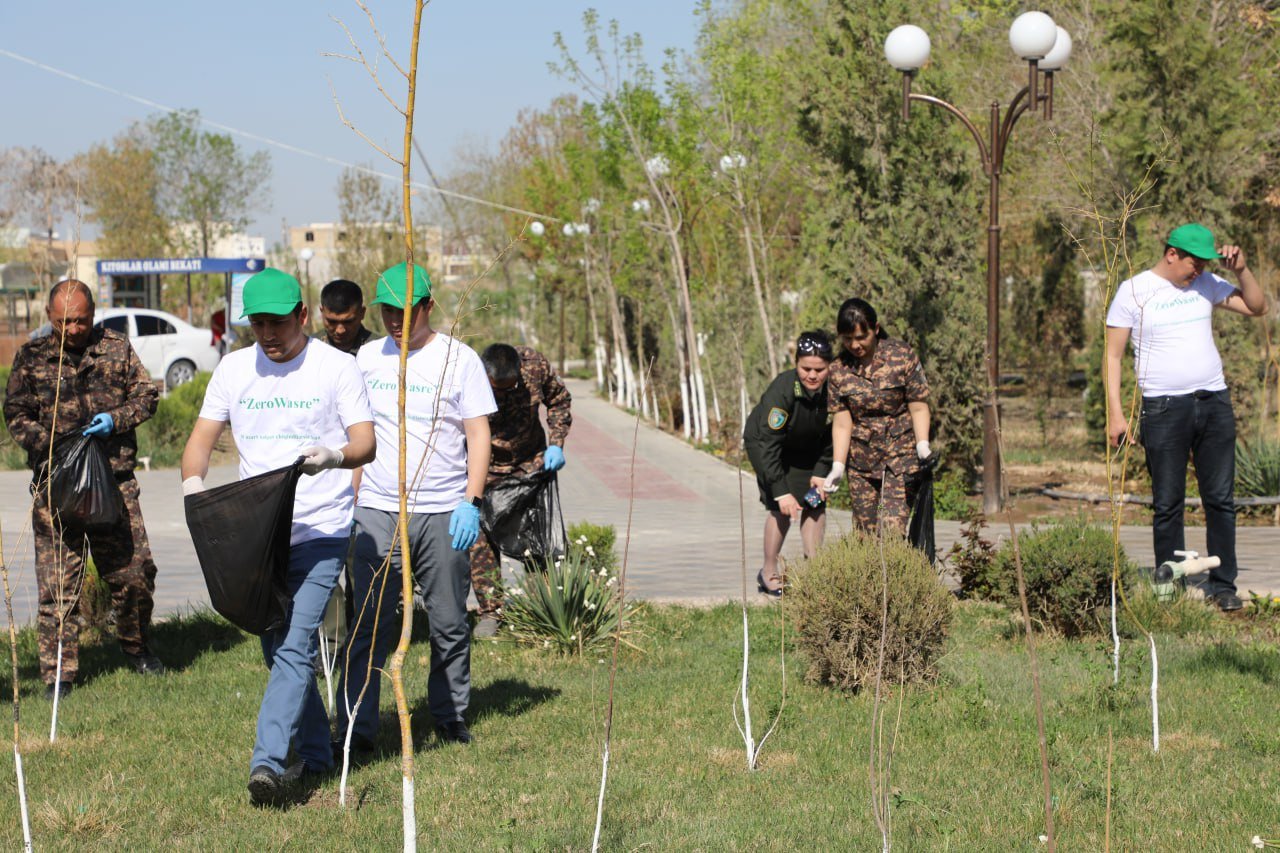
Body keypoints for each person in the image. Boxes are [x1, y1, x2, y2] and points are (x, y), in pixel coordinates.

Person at [180, 268, 375, 807]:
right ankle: (317, 753)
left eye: (277, 324)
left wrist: (333, 457)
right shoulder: (235, 368)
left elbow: (365, 443)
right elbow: (200, 441)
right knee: (275, 646)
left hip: (322, 529)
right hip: (260, 534)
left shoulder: (336, 368)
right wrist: (195, 489)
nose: (267, 334)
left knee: (294, 646)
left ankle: (268, 763)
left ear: (303, 318)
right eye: (258, 323)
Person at [335, 262, 494, 754]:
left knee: (448, 622)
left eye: (406, 310)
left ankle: (449, 717)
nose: (396, 321)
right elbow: (358, 434)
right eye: (387, 311)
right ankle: (357, 725)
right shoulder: (366, 358)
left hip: (443, 510)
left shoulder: (457, 359)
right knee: (369, 621)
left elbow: (477, 432)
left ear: (428, 305)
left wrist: (471, 501)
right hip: (380, 509)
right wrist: (352, 499)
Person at [4, 279, 165, 700]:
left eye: (81, 320)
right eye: (64, 321)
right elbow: (16, 414)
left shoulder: (116, 347)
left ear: (94, 314)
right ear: (49, 317)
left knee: (134, 576)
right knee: (58, 588)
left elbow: (146, 396)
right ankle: (59, 675)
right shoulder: (33, 356)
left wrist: (117, 418)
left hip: (114, 482)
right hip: (57, 488)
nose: (73, 329)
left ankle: (137, 648)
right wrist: (53, 442)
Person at [1104, 223, 1266, 612]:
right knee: (1168, 501)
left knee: (1220, 499)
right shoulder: (1134, 290)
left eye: (1205, 263)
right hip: (1162, 408)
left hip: (1213, 402)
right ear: (1172, 253)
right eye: (1194, 262)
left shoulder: (1207, 283)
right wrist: (1116, 414)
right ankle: (1169, 586)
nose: (1198, 270)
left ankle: (1223, 585)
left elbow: (1258, 308)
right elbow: (1112, 356)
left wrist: (1241, 269)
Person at [469, 343, 572, 636]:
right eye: (494, 389)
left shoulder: (534, 366)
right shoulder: (467, 375)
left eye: (508, 387)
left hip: (531, 465)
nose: (501, 395)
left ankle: (542, 609)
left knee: (536, 539)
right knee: (481, 541)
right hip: (484, 471)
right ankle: (490, 613)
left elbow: (560, 400)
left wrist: (556, 443)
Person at [823, 298, 932, 535]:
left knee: (892, 531)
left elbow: (918, 406)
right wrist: (838, 466)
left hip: (900, 458)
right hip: (861, 464)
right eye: (848, 339)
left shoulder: (901, 356)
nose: (855, 345)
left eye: (862, 337)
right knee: (865, 536)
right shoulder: (838, 369)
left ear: (876, 329)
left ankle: (896, 573)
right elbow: (842, 423)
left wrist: (923, 445)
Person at [743, 330, 835, 596]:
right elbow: (769, 444)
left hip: (808, 450)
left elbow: (834, 435)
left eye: (820, 369)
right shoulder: (782, 390)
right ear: (796, 364)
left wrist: (820, 473)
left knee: (815, 501)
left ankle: (814, 570)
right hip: (768, 446)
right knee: (782, 507)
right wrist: (781, 491)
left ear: (830, 367)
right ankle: (769, 572)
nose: (813, 375)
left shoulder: (833, 390)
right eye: (806, 368)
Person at [319, 278, 373, 354]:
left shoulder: (381, 350)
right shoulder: (309, 350)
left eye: (348, 322)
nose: (340, 331)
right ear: (322, 312)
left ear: (362, 313)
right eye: (332, 322)